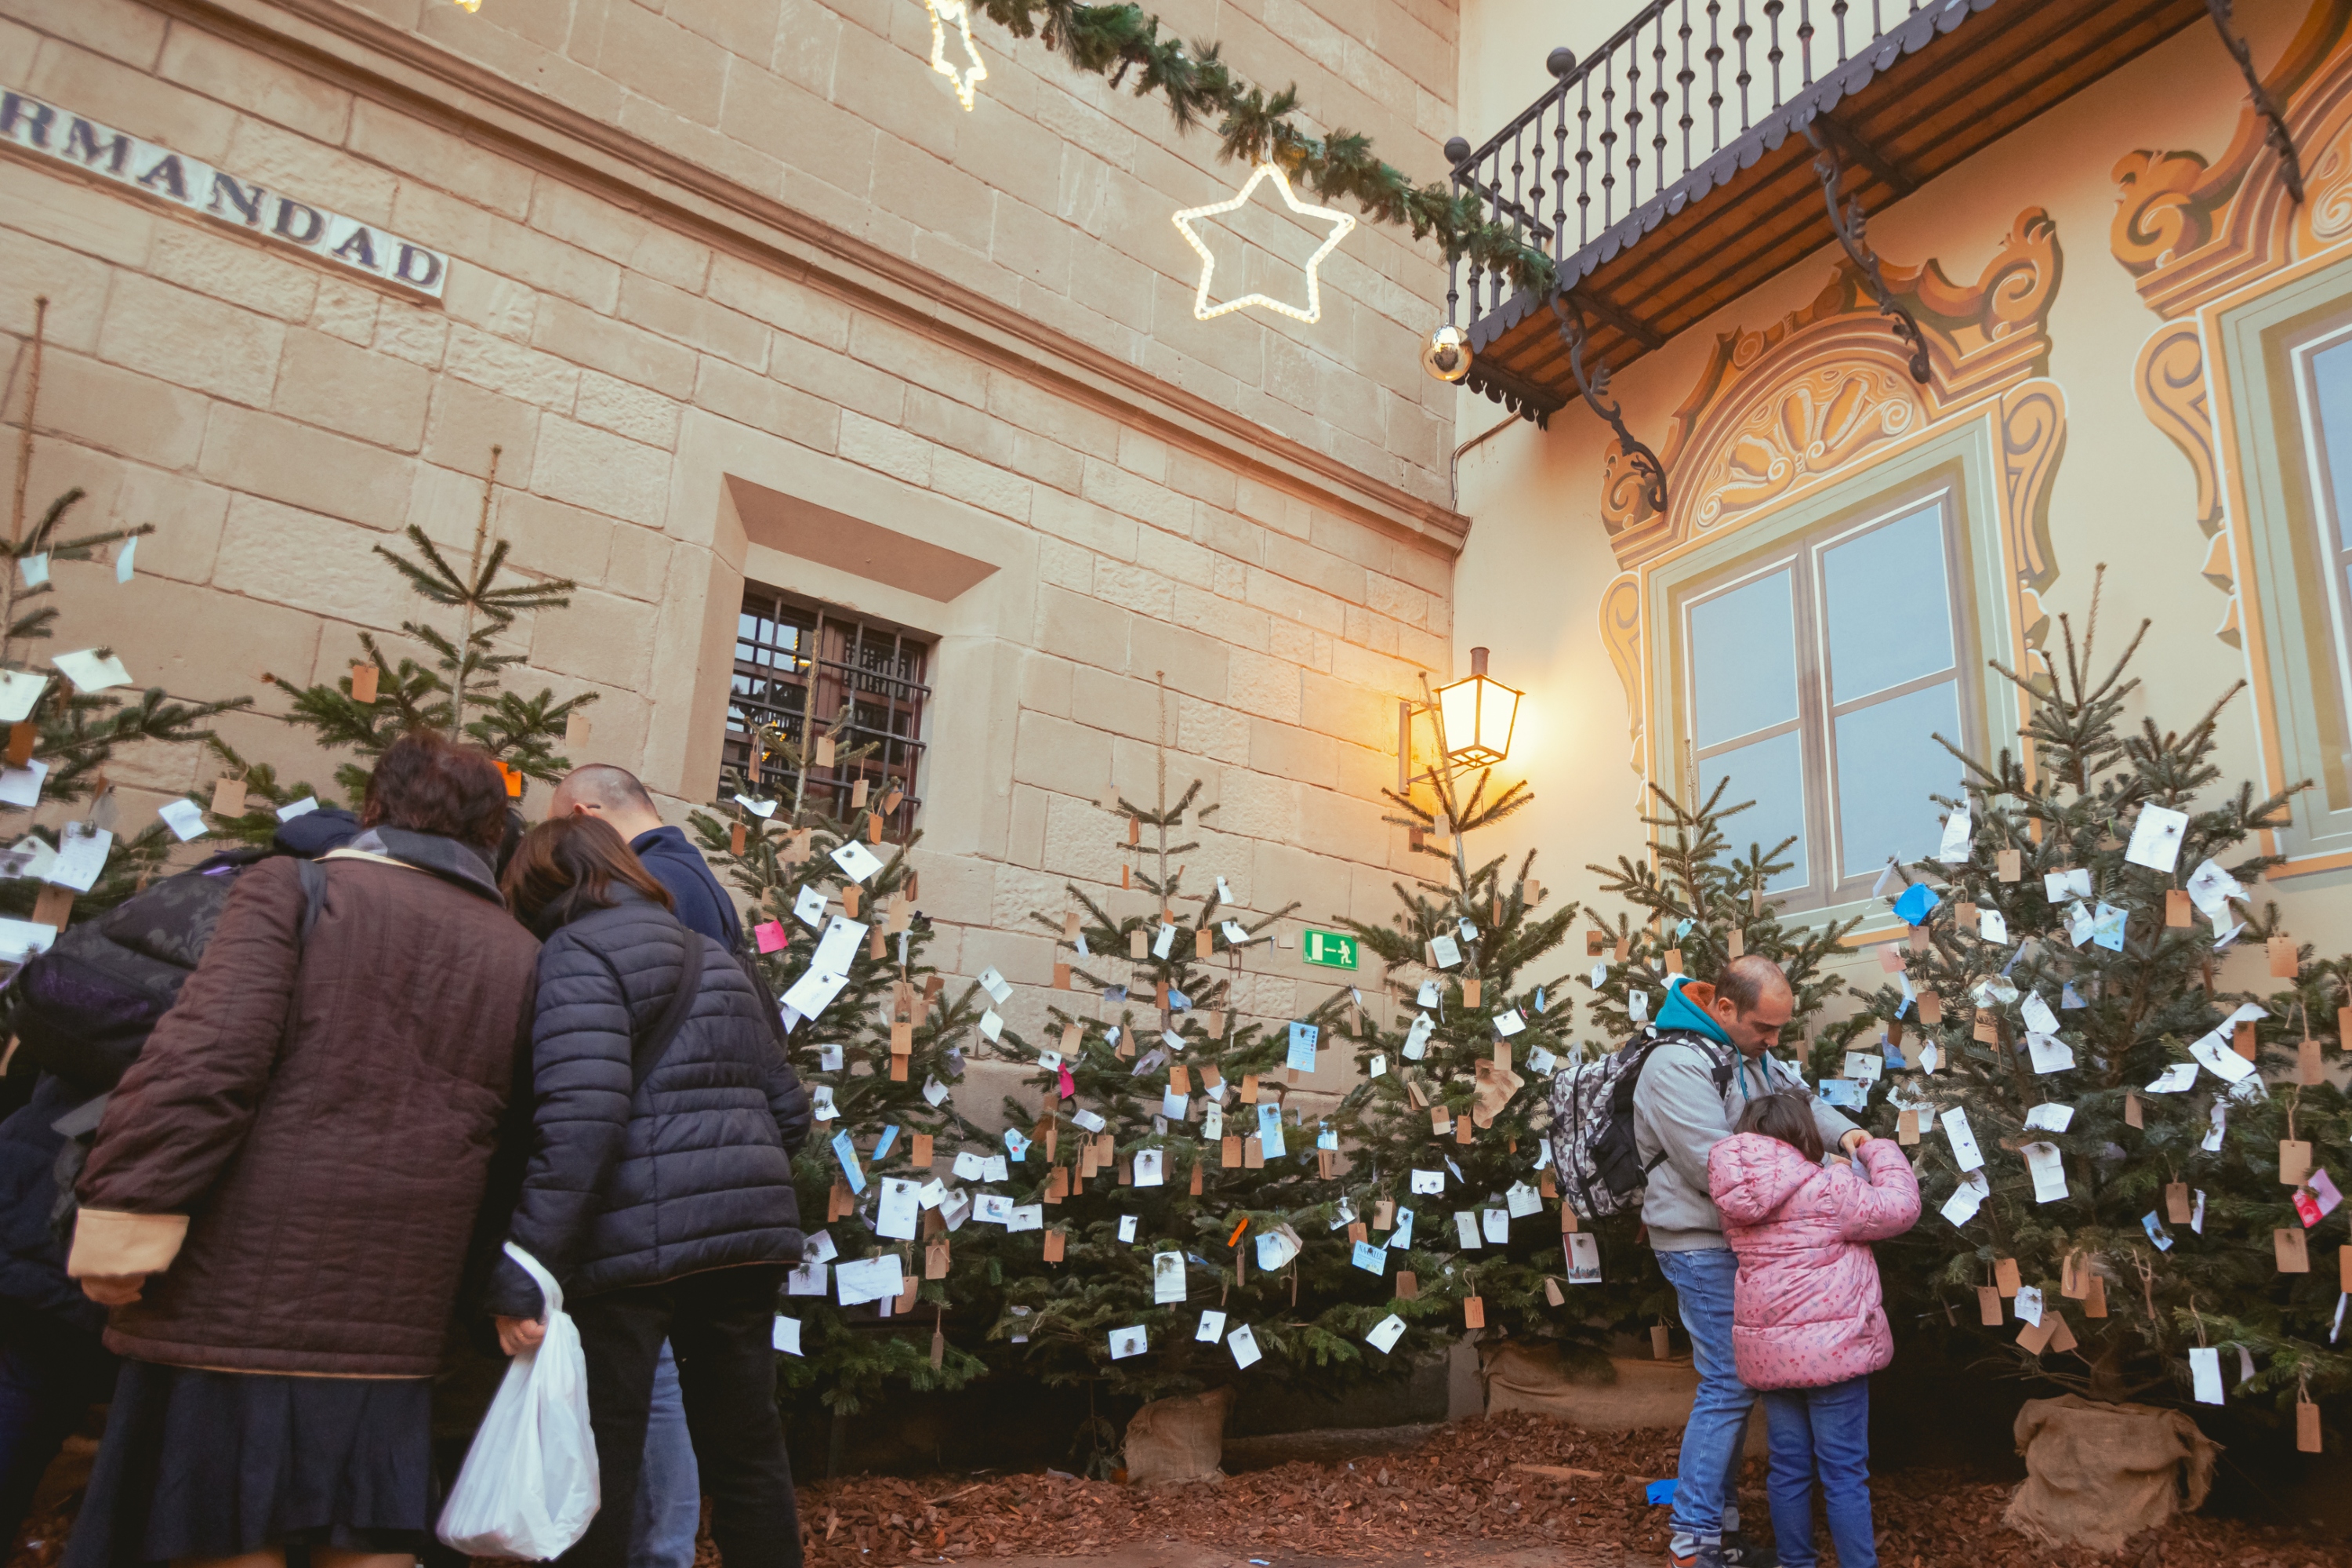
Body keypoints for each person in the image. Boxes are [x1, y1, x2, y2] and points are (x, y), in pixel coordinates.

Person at [60, 731, 542, 1568]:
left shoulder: (298, 887)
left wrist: (128, 1212)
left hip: (239, 1288)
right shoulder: (520, 950)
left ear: (375, 807)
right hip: (399, 1299)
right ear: (492, 830)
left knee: (221, 1522)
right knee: (367, 1523)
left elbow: (208, 1056)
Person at [0, 806, 362, 1548]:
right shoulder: (285, 936)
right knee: (42, 1387)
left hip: (29, 1157)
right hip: (103, 1197)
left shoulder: (191, 888)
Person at [491, 816, 808, 1568]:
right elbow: (789, 1111)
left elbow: (579, 1120)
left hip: (628, 1253)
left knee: (602, 1455)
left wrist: (524, 1265)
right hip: (744, 1245)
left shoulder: (575, 955)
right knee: (748, 1448)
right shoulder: (715, 954)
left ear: (540, 886)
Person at [546, 764, 740, 1568]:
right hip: (699, 1168)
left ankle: (655, 1547)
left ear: (589, 815)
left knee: (649, 1382)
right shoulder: (698, 878)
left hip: (656, 1171)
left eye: (562, 828)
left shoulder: (657, 883)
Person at [1632, 955, 1863, 1568]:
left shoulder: (1750, 1053)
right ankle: (1694, 1538)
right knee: (1730, 1383)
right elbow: (1720, 1170)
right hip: (1699, 1243)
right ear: (1725, 1009)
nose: (1774, 1041)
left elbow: (1801, 1102)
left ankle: (1723, 1533)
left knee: (1738, 1383)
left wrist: (1851, 1139)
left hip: (1749, 1243)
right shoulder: (1674, 1065)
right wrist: (1819, 1182)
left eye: (1780, 1030)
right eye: (1765, 1028)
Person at [1708, 1093, 1919, 1568]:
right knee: (1844, 1472)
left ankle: (1795, 1562)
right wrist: (1875, 1149)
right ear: (1804, 1135)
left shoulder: (1734, 1199)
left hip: (1772, 1359)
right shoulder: (1828, 1189)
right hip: (1835, 1354)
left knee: (1787, 1468)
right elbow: (1900, 1207)